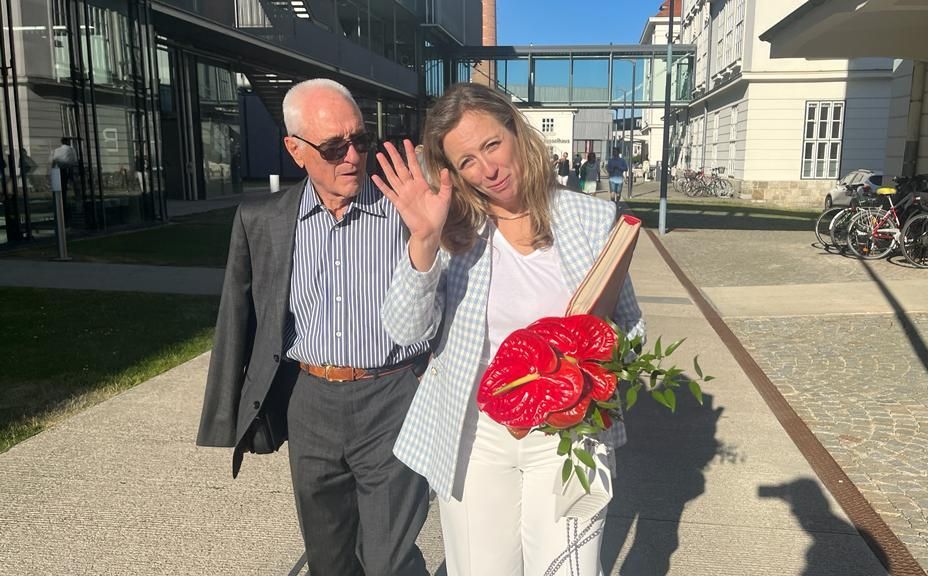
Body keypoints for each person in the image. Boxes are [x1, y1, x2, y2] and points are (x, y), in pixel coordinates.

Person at [371, 82, 645, 575]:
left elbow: (630, 329)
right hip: (477, 437)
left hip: (568, 434)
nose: (487, 170)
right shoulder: (452, 232)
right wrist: (423, 241)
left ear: (517, 132)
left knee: (568, 569)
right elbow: (405, 331)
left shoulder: (592, 218)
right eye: (467, 161)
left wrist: (589, 370)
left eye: (491, 145)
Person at [196, 78, 431, 576]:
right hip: (309, 400)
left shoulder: (406, 209)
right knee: (327, 557)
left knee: (389, 558)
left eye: (360, 140)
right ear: (295, 150)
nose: (352, 156)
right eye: (333, 147)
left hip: (391, 397)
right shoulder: (266, 220)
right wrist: (229, 411)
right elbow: (239, 318)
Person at [49, 138, 78, 211]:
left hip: (59, 171)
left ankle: (62, 202)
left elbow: (53, 161)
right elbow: (75, 160)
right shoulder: (71, 150)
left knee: (62, 187)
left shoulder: (57, 150)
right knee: (74, 185)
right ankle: (75, 199)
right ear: (68, 142)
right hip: (69, 169)